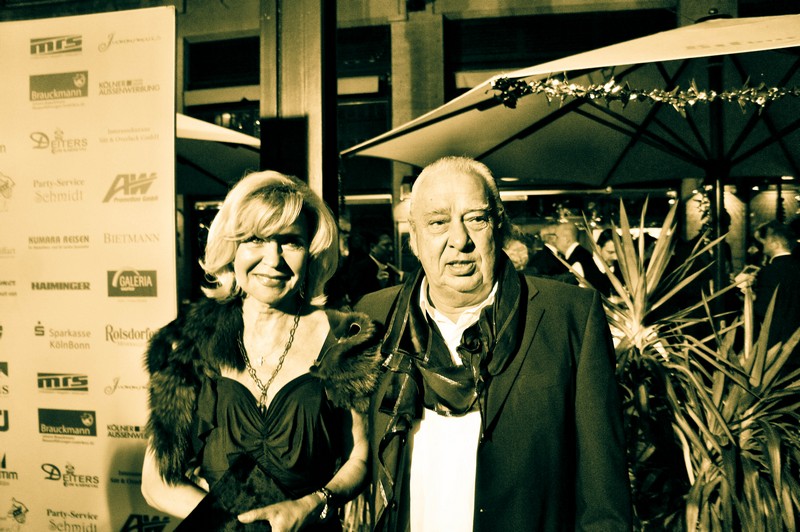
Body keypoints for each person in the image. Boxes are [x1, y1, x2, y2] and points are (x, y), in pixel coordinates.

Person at [354, 156, 631, 531]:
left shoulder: (569, 316)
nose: (459, 240)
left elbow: (604, 498)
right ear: (414, 238)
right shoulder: (375, 317)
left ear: (499, 227)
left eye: (476, 219)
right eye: (438, 222)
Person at [141, 170, 382, 531]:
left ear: (312, 252)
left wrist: (312, 504)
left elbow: (359, 457)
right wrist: (239, 525)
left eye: (291, 242)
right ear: (231, 249)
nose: (273, 259)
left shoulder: (342, 339)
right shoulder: (191, 341)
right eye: (255, 239)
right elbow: (156, 482)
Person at [738, 220, 800, 366]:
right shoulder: (797, 266)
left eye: (765, 241)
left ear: (775, 244)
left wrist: (749, 297)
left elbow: (763, 308)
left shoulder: (769, 271)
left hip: (774, 340)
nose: (762, 245)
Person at [345, 232, 403, 305]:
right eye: (386, 245)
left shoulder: (390, 268)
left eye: (391, 245)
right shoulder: (360, 268)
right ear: (372, 247)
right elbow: (356, 298)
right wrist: (378, 285)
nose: (391, 249)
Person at [554, 220, 609, 295]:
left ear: (566, 239)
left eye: (556, 237)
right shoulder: (582, 254)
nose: (554, 241)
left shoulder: (578, 259)